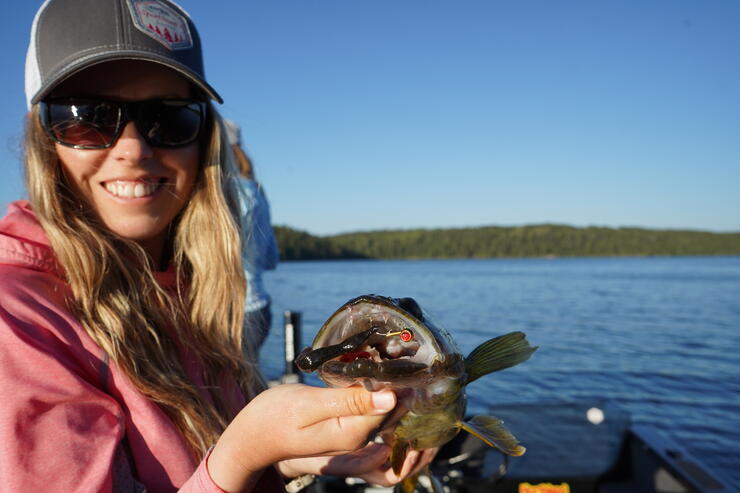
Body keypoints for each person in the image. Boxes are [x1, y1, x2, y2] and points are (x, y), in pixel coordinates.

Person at [0, 1, 435, 492]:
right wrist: (242, 451)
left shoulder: (195, 283)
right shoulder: (14, 317)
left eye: (169, 118)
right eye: (87, 118)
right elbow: (222, 464)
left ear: (204, 137)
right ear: (44, 141)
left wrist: (294, 460)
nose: (134, 149)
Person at [223, 119, 279, 360]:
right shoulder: (258, 192)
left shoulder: (222, 193)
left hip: (233, 313)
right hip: (260, 308)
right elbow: (270, 259)